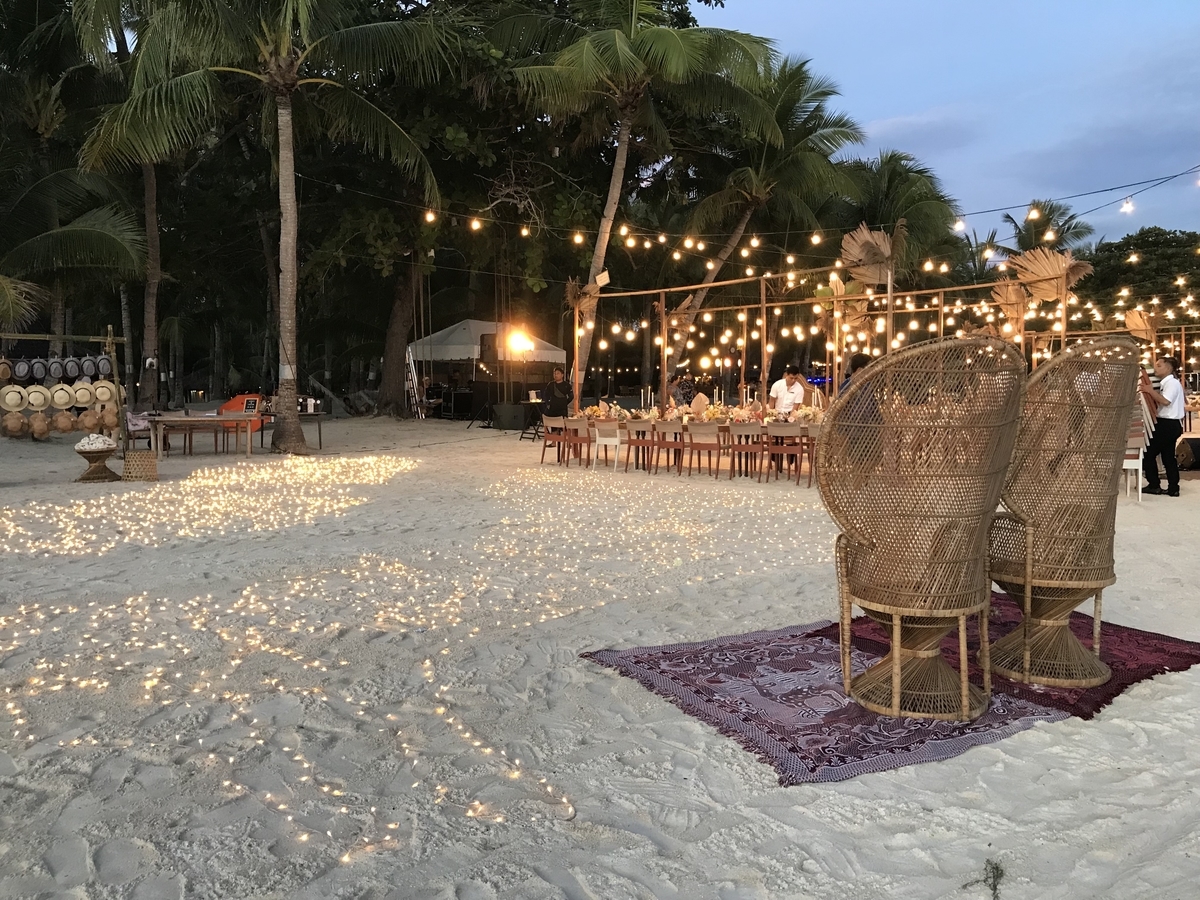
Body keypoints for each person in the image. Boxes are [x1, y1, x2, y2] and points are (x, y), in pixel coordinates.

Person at [1141, 355, 1185, 496]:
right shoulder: (1169, 383)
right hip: (1171, 424)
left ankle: (1154, 485)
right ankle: (1173, 488)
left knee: (1148, 453)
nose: (1155, 368)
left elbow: (1166, 401)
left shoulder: (1171, 383)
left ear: (1169, 368)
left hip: (1167, 424)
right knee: (1168, 457)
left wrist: (1150, 390)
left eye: (1159, 365)